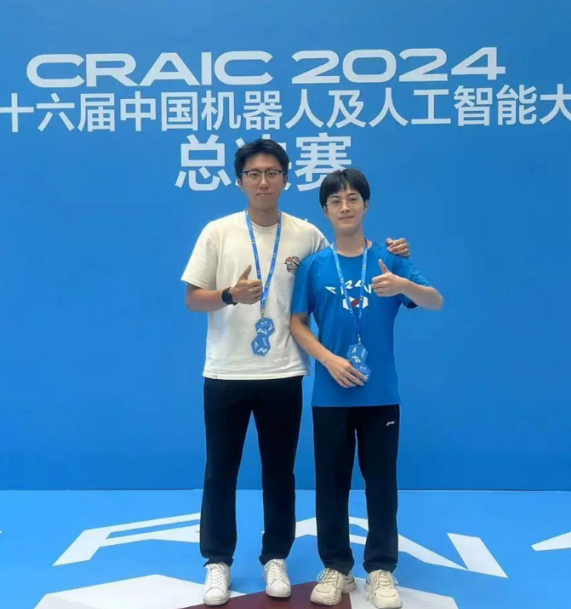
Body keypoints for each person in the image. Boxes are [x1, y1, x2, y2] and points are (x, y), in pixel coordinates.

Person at [182, 141, 411, 606]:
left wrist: (396, 253)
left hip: (283, 372)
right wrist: (229, 295)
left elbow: (348, 260)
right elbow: (192, 299)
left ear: (286, 179)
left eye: (272, 173)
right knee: (220, 470)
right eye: (253, 174)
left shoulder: (307, 235)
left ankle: (275, 557)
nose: (263, 182)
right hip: (225, 371)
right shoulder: (217, 232)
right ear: (240, 181)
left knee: (279, 472)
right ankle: (218, 561)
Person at [289, 168, 443, 609]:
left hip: (381, 396)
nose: (345, 207)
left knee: (381, 483)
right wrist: (329, 359)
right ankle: (337, 567)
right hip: (331, 394)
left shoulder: (390, 259)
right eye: (335, 201)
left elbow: (435, 300)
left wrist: (404, 284)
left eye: (352, 199)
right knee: (330, 484)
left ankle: (380, 569)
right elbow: (297, 323)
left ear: (366, 204)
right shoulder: (315, 265)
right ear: (325, 211)